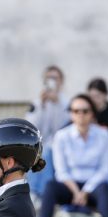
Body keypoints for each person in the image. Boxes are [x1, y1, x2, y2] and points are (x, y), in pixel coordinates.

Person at [36, 93, 108, 217]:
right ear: (71, 114)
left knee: (105, 188)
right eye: (76, 111)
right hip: (69, 185)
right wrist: (76, 192)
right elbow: (61, 171)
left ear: (92, 113)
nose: (81, 115)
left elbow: (105, 170)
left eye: (85, 111)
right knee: (50, 186)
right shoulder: (62, 136)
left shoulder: (103, 135)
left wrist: (85, 191)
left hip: (94, 185)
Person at [25, 65, 69, 200]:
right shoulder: (37, 103)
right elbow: (31, 128)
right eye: (49, 78)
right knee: (37, 151)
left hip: (61, 145)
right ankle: (33, 193)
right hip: (42, 144)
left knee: (46, 152)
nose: (52, 81)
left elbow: (63, 127)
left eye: (55, 78)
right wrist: (41, 106)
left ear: (61, 81)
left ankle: (42, 193)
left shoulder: (67, 103)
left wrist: (56, 103)